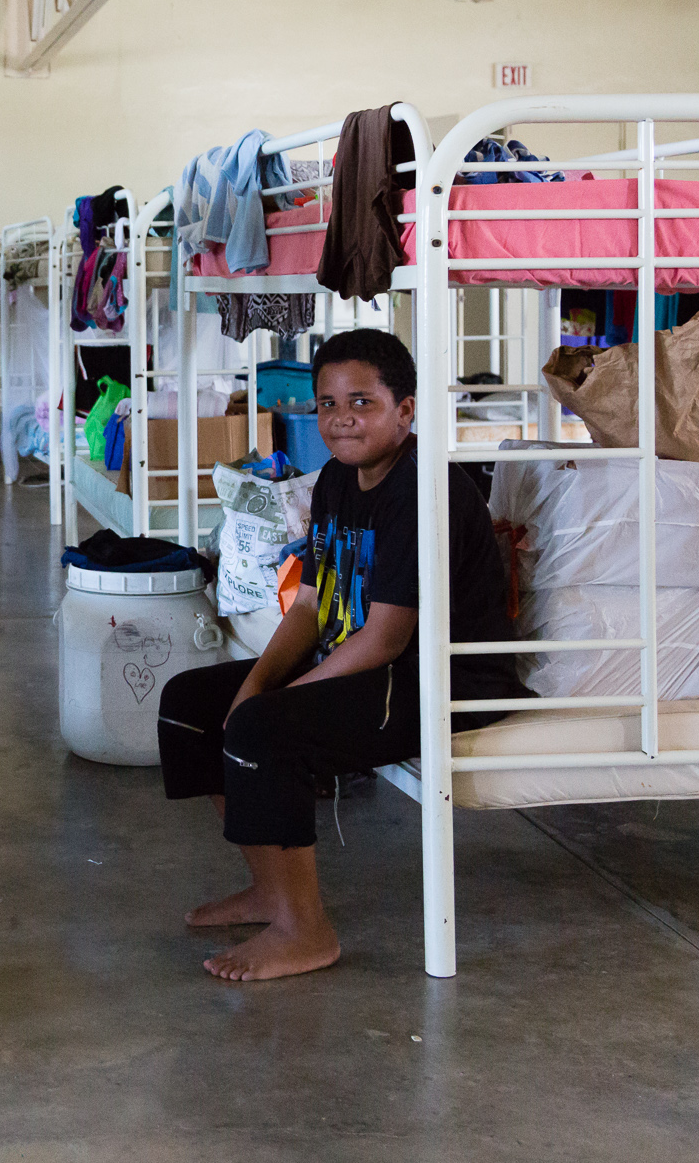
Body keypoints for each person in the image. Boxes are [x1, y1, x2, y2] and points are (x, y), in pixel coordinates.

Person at [155, 328, 527, 981]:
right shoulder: (335, 480)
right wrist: (260, 679)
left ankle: (306, 930)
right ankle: (272, 888)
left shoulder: (422, 488)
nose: (341, 417)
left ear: (406, 411)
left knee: (264, 728)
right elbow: (310, 608)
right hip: (366, 660)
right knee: (190, 705)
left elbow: (386, 637)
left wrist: (278, 699)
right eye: (327, 403)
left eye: (362, 401)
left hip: (434, 677)